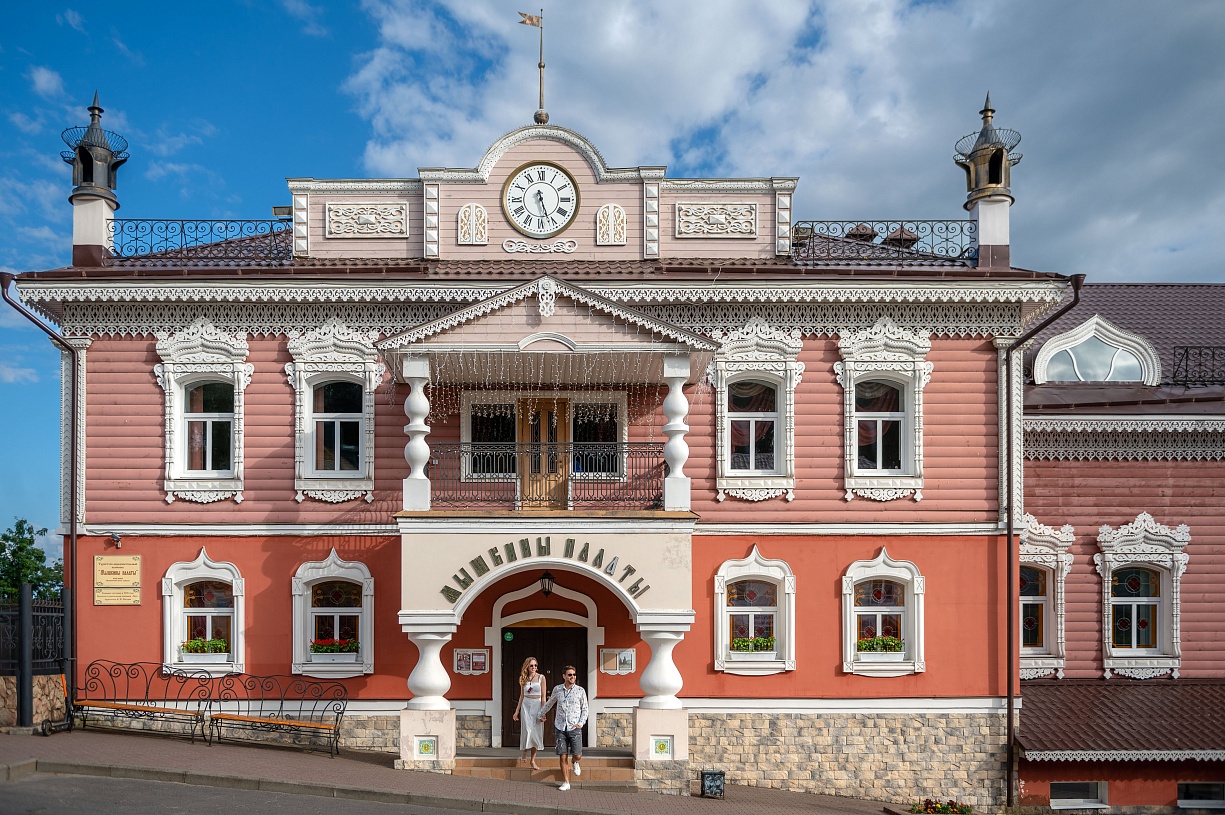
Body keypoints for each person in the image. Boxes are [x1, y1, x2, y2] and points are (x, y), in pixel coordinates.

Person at [538, 664, 587, 791]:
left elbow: (585, 709)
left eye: (574, 675)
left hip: (574, 727)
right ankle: (566, 782)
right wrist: (541, 714)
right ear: (564, 676)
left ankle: (575, 762)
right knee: (562, 756)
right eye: (570, 675)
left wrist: (580, 723)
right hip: (560, 727)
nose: (572, 677)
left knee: (577, 754)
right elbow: (550, 703)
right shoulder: (557, 689)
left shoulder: (580, 691)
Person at [511, 656, 545, 769]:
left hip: (537, 705)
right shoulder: (523, 678)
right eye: (531, 665)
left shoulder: (541, 678)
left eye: (535, 665)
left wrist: (543, 711)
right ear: (527, 666)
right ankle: (525, 750)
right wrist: (516, 711)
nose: (534, 667)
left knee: (536, 732)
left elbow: (543, 697)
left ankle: (533, 760)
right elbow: (521, 695)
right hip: (526, 704)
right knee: (527, 729)